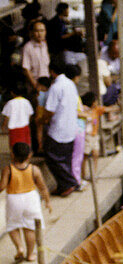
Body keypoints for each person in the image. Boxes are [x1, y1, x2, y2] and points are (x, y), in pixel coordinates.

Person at [42, 57, 80, 196]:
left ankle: (69, 182)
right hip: (70, 127)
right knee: (65, 158)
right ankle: (64, 185)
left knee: (51, 156)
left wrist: (42, 120)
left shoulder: (55, 87)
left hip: (59, 129)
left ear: (51, 71)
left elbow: (50, 110)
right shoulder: (70, 84)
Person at [2, 83, 34, 150]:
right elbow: (30, 115)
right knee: (26, 147)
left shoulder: (10, 103)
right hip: (25, 128)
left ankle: (14, 159)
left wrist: (4, 127)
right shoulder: (27, 102)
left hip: (14, 129)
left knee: (14, 148)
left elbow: (6, 118)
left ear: (12, 93)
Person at [20, 19, 48, 87]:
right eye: (37, 31)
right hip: (35, 84)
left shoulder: (44, 45)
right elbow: (26, 69)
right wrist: (35, 86)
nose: (40, 34)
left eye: (42, 31)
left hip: (46, 83)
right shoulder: (28, 47)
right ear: (32, 33)